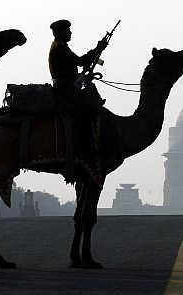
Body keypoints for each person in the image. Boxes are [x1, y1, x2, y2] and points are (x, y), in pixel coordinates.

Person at [48, 19, 107, 182]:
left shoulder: (61, 47)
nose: (70, 33)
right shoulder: (60, 48)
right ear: (60, 32)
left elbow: (79, 64)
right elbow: (81, 62)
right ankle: (83, 148)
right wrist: (98, 49)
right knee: (89, 111)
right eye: (68, 30)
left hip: (68, 87)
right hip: (65, 90)